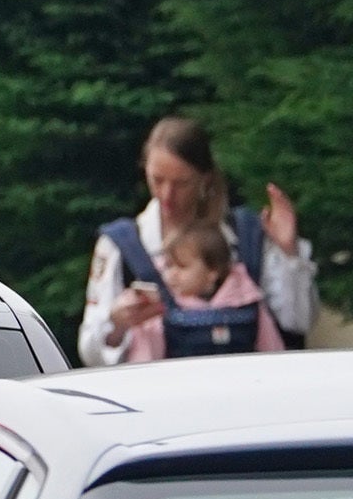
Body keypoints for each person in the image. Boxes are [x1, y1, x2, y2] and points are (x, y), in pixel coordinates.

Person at [81, 114, 309, 367]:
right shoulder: (120, 246)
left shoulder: (246, 237)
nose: (166, 195)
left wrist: (289, 251)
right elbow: (90, 353)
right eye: (157, 180)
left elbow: (297, 322)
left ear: (205, 178)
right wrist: (117, 324)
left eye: (182, 183)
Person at [116, 216, 284, 360]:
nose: (171, 274)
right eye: (168, 266)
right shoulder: (160, 308)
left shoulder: (248, 300)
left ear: (212, 272)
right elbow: (144, 360)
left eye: (181, 267)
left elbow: (272, 351)